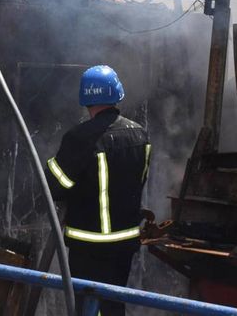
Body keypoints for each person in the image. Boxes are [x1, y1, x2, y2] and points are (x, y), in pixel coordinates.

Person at [45, 65, 151, 316]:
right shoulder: (140, 134)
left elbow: (56, 187)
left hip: (90, 243)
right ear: (117, 94)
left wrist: (52, 164)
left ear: (86, 98)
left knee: (89, 307)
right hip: (126, 240)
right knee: (114, 304)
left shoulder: (80, 137)